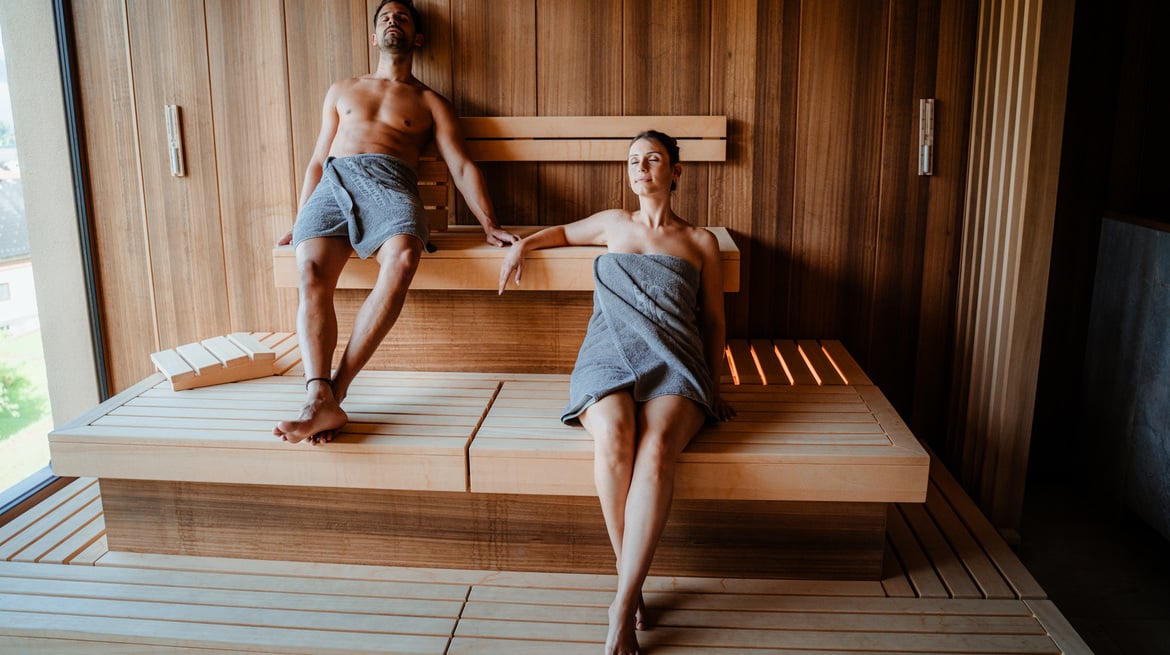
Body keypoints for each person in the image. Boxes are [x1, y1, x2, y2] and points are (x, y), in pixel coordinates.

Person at [498, 130, 735, 655]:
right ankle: (632, 585)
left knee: (656, 452)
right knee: (616, 434)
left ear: (676, 171)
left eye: (653, 159)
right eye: (633, 160)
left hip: (675, 360)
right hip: (607, 354)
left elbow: (715, 323)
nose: (641, 167)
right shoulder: (611, 223)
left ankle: (622, 603)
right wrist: (521, 245)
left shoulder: (700, 242)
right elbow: (560, 232)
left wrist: (713, 388)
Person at [274, 0, 518, 444]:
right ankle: (318, 394)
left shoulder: (430, 102)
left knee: (404, 258)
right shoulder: (341, 90)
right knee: (307, 268)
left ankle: (332, 396)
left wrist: (488, 223)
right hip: (334, 181)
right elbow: (316, 158)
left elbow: (461, 166)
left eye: (402, 18)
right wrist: (302, 214)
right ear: (374, 37)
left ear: (416, 39)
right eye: (385, 17)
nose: (393, 20)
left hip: (391, 183)